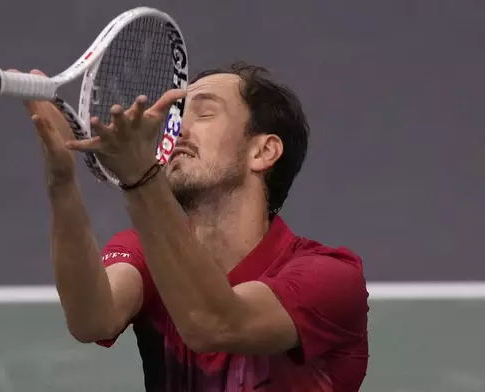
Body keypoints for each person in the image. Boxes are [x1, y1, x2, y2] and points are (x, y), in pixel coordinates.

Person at [21, 62, 369, 391]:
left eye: (204, 114)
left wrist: (141, 178)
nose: (177, 130)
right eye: (177, 117)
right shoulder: (147, 252)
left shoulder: (330, 277)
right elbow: (91, 319)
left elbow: (216, 322)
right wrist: (62, 178)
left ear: (263, 151)